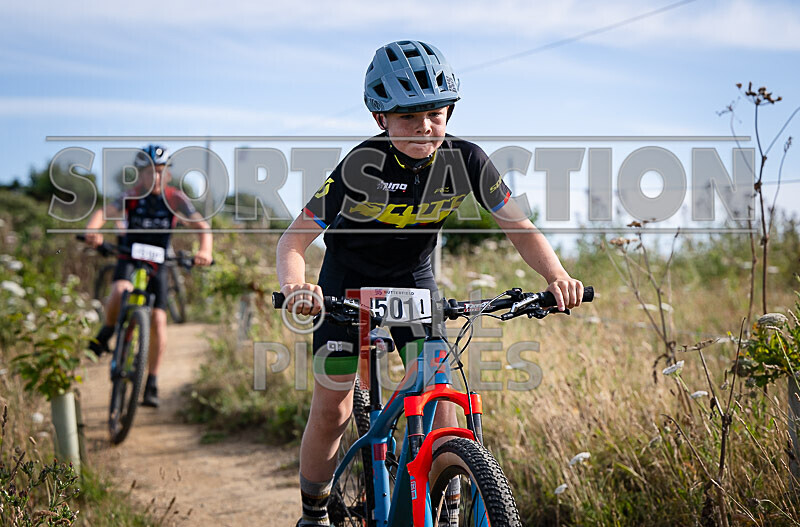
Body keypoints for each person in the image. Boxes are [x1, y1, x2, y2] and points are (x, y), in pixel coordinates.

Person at [277, 40, 584, 527]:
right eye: (408, 117)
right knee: (333, 406)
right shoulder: (362, 164)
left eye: (435, 114)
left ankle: (446, 507)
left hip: (414, 284)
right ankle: (313, 514)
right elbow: (293, 241)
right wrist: (298, 288)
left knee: (442, 399)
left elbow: (519, 227)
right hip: (345, 283)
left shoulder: (466, 160)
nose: (424, 127)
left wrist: (557, 276)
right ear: (380, 119)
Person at [84, 145, 213, 408]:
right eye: (148, 171)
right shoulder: (131, 196)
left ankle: (151, 381)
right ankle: (107, 330)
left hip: (159, 261)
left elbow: (202, 226)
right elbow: (102, 213)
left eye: (160, 171)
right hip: (129, 256)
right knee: (119, 291)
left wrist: (205, 251)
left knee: (158, 321)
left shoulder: (175, 198)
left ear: (168, 174)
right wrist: (92, 231)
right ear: (140, 174)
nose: (155, 176)